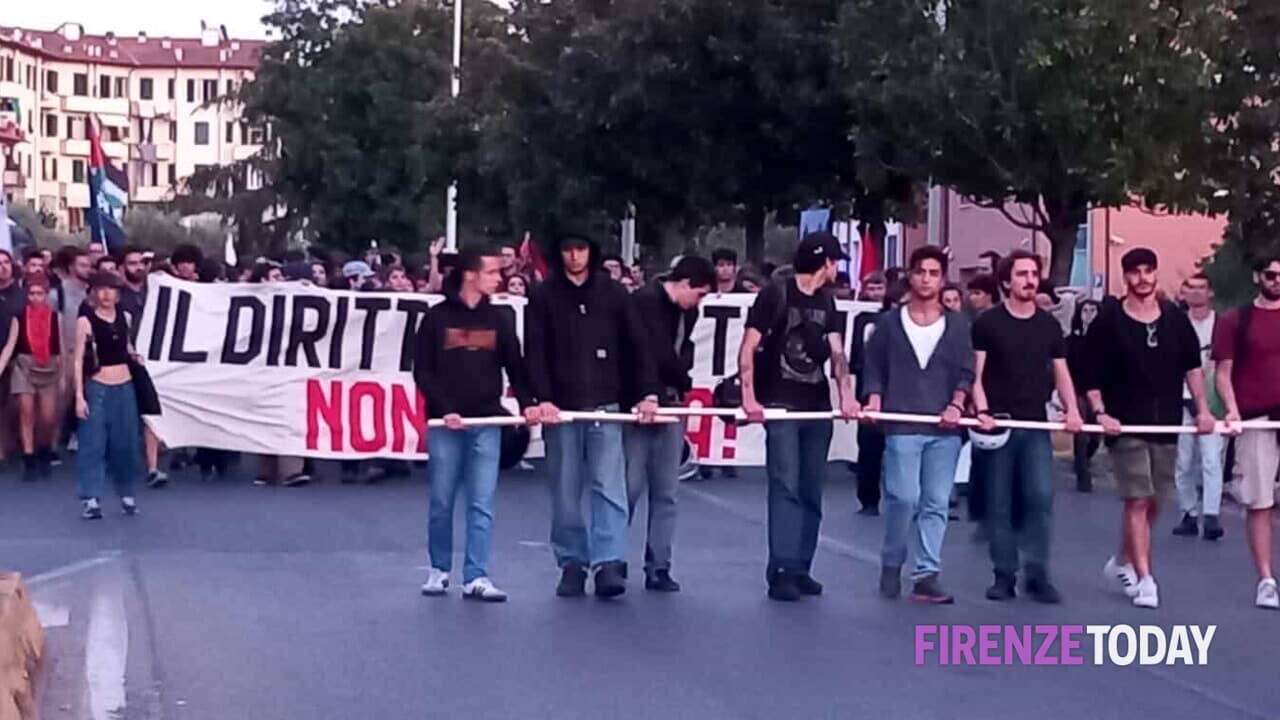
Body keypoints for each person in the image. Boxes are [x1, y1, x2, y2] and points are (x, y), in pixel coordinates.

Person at [525, 233, 660, 599]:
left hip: (606, 401)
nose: (574, 257)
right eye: (567, 249)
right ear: (559, 252)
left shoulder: (614, 293)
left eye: (581, 249)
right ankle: (572, 562)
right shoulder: (542, 295)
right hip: (562, 408)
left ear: (592, 251)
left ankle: (609, 562)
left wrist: (647, 392)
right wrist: (542, 398)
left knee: (609, 486)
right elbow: (534, 351)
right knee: (565, 489)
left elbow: (637, 344)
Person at [1083, 248, 1214, 609]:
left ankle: (1122, 559)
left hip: (1167, 422)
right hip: (1124, 423)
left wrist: (1203, 410)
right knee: (1137, 498)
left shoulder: (1174, 320)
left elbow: (1193, 369)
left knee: (1157, 499)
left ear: (1155, 274)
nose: (1142, 278)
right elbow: (1090, 372)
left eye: (1148, 271)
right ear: (1125, 277)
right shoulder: (1108, 322)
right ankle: (1145, 578)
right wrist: (1100, 412)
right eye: (1135, 272)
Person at [739, 232, 859, 602]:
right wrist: (749, 397)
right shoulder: (776, 293)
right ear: (824, 262)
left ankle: (802, 566)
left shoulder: (827, 302)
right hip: (781, 404)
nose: (837, 268)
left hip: (816, 406)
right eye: (835, 261)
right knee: (785, 486)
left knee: (810, 490)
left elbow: (837, 353)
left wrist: (846, 396)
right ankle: (782, 568)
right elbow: (749, 346)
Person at [414, 249, 537, 602]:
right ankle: (439, 569)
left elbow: (516, 365)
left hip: (487, 421)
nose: (499, 279)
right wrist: (445, 409)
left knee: (481, 502)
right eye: (493, 272)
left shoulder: (499, 318)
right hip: (445, 424)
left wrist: (528, 404)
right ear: (470, 274)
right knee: (441, 501)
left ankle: (476, 575)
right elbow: (423, 371)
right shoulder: (437, 318)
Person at [863, 246, 974, 604]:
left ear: (942, 279)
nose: (926, 279)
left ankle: (927, 573)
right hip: (903, 423)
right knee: (903, 498)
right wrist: (875, 397)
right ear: (910, 276)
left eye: (933, 273)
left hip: (944, 429)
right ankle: (892, 562)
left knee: (936, 502)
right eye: (920, 272)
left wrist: (958, 403)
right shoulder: (889, 324)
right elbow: (874, 366)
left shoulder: (957, 324)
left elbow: (966, 370)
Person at [971, 250, 1084, 604]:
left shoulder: (1048, 325)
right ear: (1006, 281)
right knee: (1000, 502)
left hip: (1035, 423)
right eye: (1022, 274)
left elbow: (1061, 371)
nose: (1030, 280)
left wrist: (1072, 410)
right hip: (999, 426)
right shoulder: (988, 323)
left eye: (1033, 274)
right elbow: (975, 375)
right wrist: (983, 410)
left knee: (1039, 497)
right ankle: (1003, 574)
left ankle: (1037, 574)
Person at [625, 256, 715, 592]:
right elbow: (647, 353)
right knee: (629, 488)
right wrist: (676, 379)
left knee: (666, 491)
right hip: (640, 403)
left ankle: (658, 564)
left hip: (670, 401)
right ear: (686, 283)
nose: (700, 302)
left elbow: (679, 349)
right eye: (700, 294)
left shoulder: (686, 311)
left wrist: (679, 379)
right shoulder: (643, 302)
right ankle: (614, 560)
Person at [1213, 255, 1280, 610]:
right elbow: (1223, 372)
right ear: (1258, 277)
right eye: (1271, 275)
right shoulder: (1236, 320)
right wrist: (1233, 411)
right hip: (1256, 417)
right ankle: (1266, 579)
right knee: (1260, 502)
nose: (1277, 281)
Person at [73, 271, 145, 519]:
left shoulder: (124, 316)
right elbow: (77, 361)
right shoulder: (86, 320)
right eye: (101, 289)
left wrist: (134, 356)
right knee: (93, 443)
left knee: (125, 443)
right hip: (98, 384)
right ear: (93, 292)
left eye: (111, 289)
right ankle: (91, 497)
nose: (106, 294)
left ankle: (126, 493)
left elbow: (126, 345)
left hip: (125, 385)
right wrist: (79, 396)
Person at [1172, 273, 1225, 541]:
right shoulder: (1177, 326)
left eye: (1201, 288)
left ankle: (1212, 514)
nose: (1196, 293)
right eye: (1190, 288)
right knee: (1183, 461)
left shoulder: (1221, 325)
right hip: (1181, 398)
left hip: (1212, 400)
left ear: (1210, 292)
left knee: (1211, 459)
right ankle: (1189, 513)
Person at [0, 272, 62, 480]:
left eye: (39, 293)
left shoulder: (56, 318)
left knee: (47, 417)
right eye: (32, 293)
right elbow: (10, 345)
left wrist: (65, 375)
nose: (35, 297)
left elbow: (63, 349)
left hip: (49, 367)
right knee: (26, 412)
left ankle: (43, 449)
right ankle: (28, 458)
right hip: (24, 366)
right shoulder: (19, 317)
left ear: (46, 295)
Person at [1066, 299, 1101, 492]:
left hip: (1097, 392)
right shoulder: (1072, 341)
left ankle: (1083, 460)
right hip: (1076, 391)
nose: (1089, 314)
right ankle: (1082, 475)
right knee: (1080, 435)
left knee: (1095, 437)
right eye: (1085, 310)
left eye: (1093, 310)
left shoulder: (1105, 341)